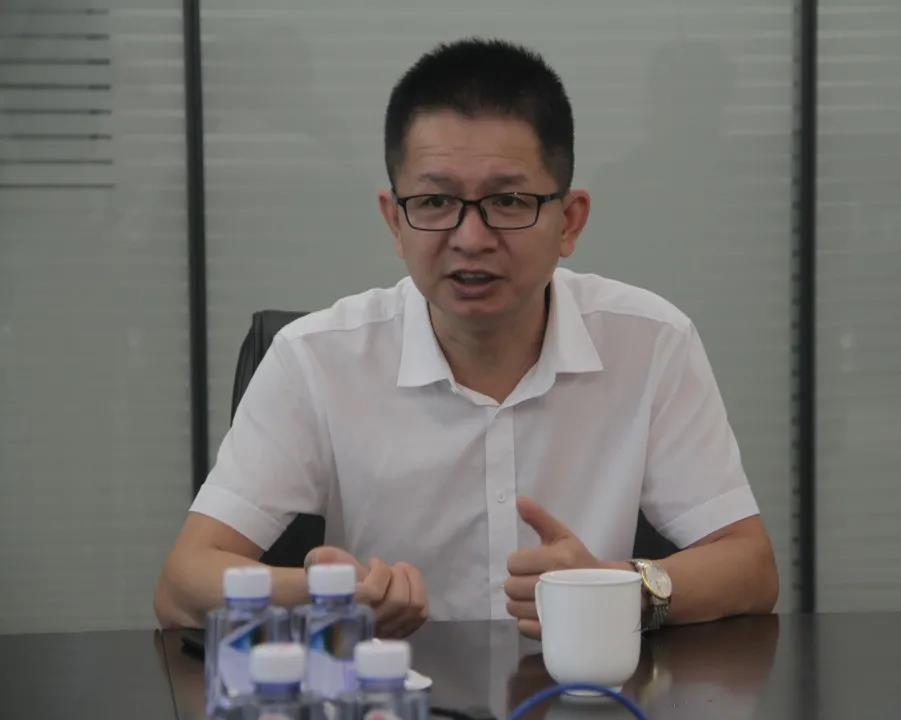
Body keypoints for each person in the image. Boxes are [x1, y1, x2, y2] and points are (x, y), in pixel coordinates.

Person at [154, 38, 778, 640]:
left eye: (508, 201)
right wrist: (329, 596)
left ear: (570, 221)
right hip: (392, 690)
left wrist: (618, 588)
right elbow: (183, 584)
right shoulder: (313, 358)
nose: (471, 239)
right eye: (434, 201)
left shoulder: (651, 342)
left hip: (589, 688)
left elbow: (750, 568)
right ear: (394, 221)